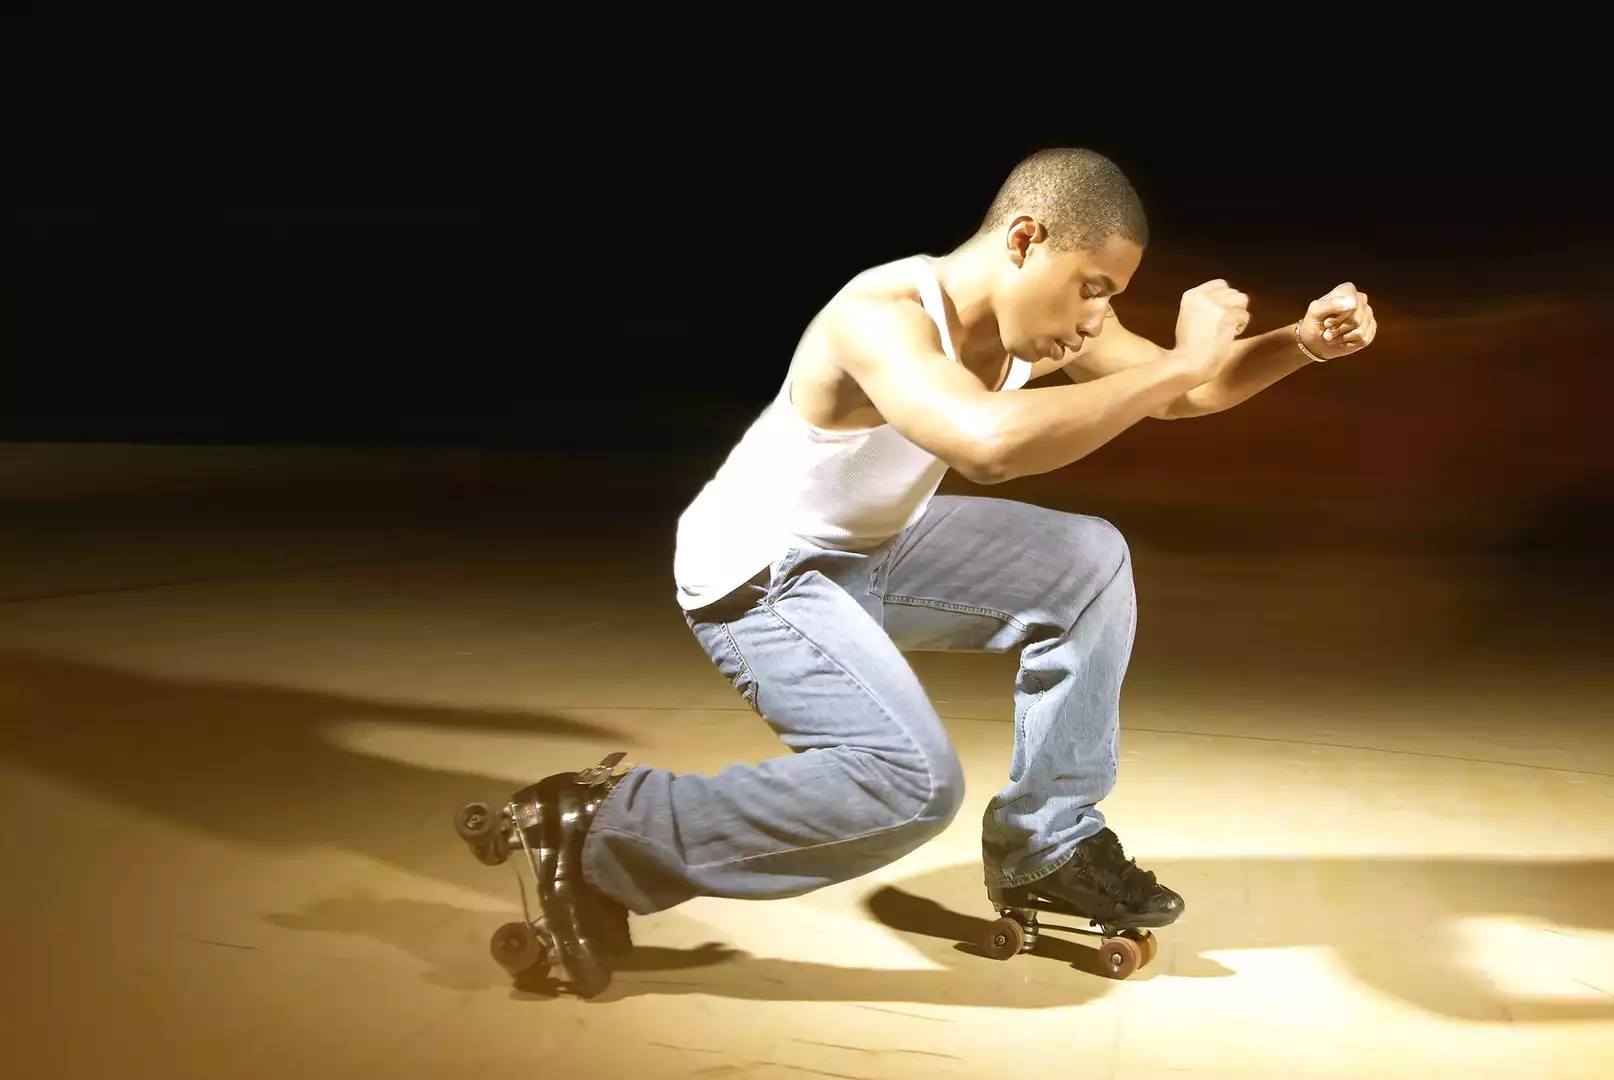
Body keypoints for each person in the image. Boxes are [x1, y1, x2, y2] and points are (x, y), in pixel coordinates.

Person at [475, 148, 1378, 995]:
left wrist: (1300, 343)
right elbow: (988, 444)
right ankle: (602, 832)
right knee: (909, 784)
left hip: (870, 548)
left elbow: (1190, 391)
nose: (1095, 319)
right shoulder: (881, 314)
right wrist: (1181, 358)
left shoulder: (1047, 322)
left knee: (1090, 563)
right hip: (759, 577)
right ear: (1024, 240)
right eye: (1092, 288)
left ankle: (1048, 845)